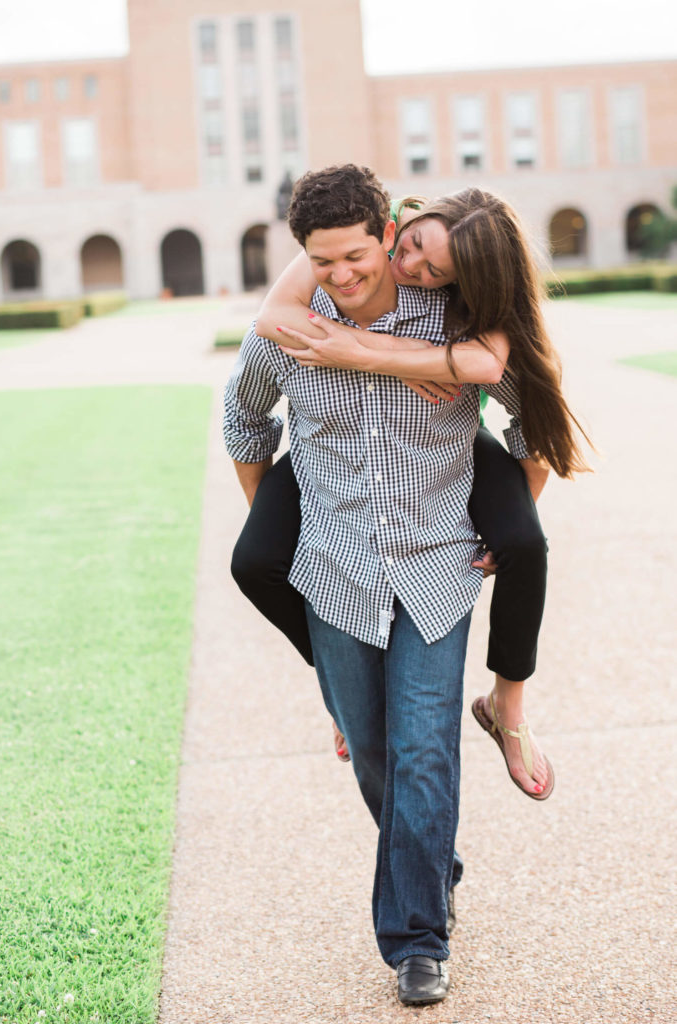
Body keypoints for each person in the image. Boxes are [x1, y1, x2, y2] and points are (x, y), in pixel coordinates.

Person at [224, 165, 582, 1005]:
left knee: (424, 748)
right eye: (323, 263)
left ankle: (417, 939)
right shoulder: (283, 332)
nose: (342, 276)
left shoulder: (455, 322)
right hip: (335, 567)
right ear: (302, 257)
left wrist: (506, 520)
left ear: (387, 235)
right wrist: (282, 510)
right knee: (378, 757)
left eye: (356, 255)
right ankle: (431, 859)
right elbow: (245, 416)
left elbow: (530, 408)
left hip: (434, 565)